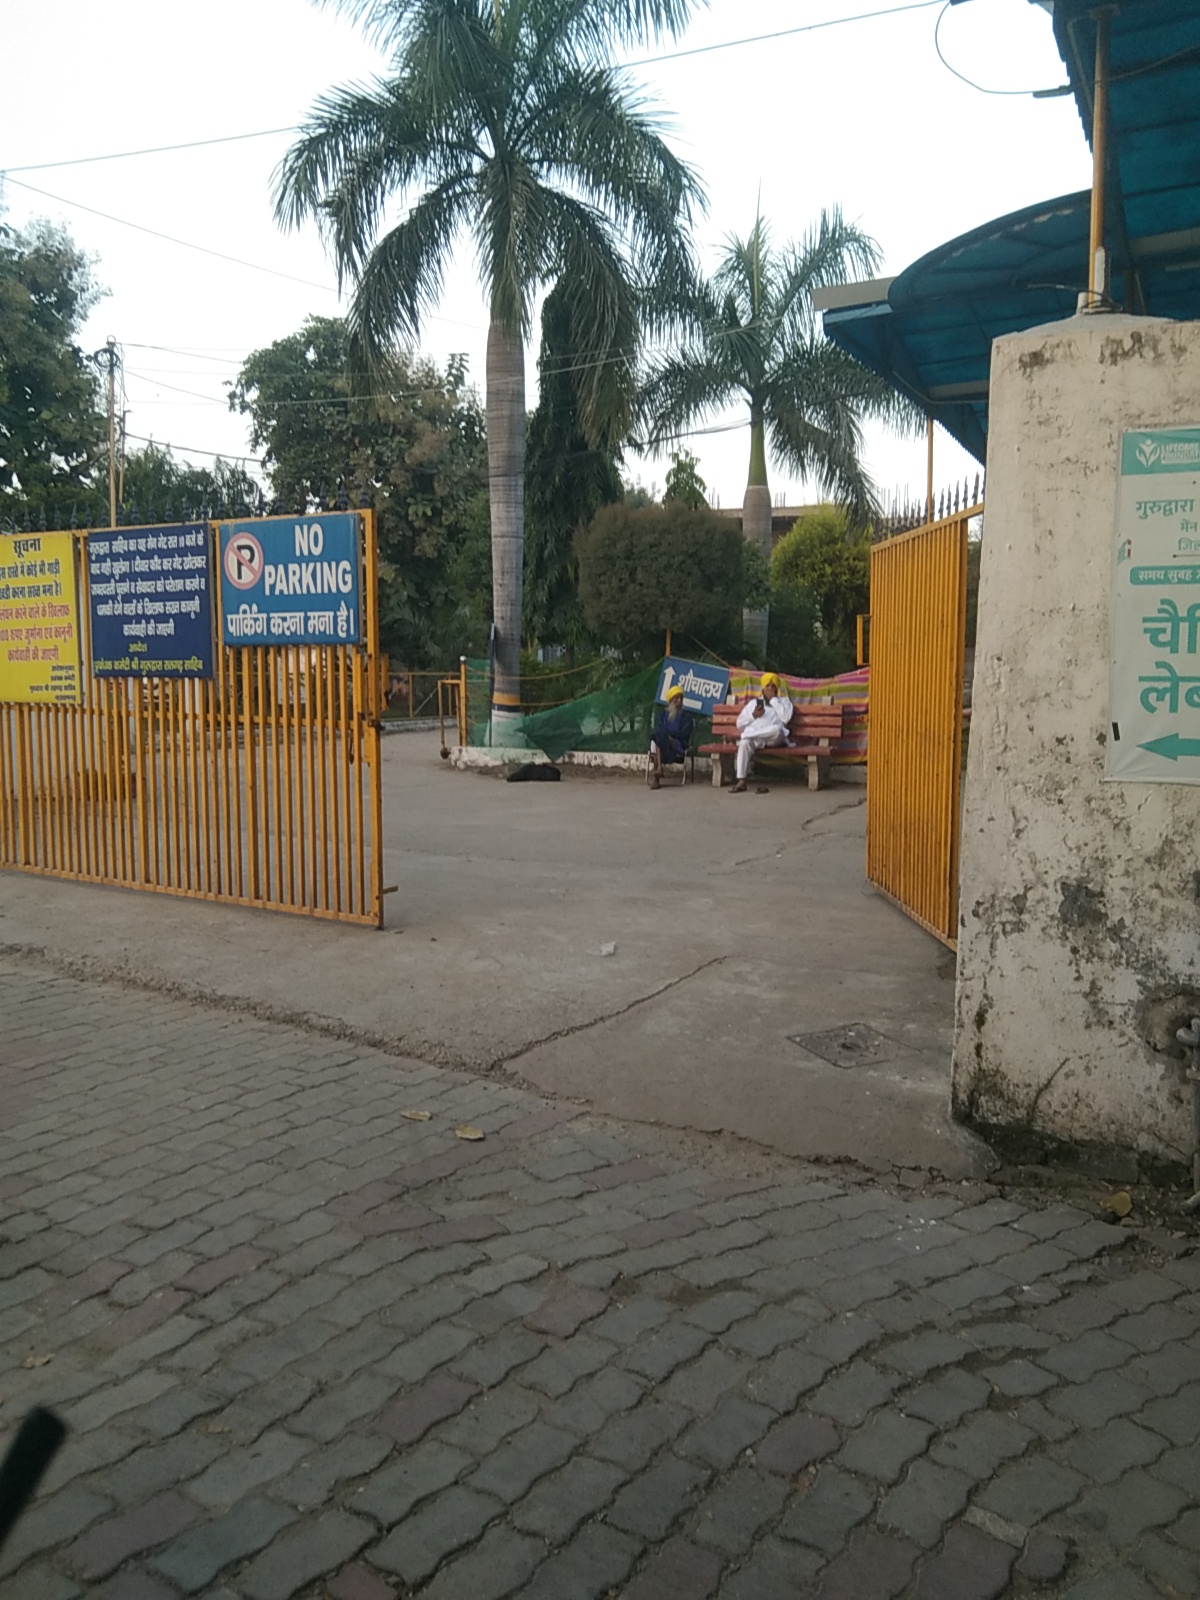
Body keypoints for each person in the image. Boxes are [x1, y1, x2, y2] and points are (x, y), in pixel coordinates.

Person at [731, 672, 793, 793]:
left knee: (777, 729)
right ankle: (741, 781)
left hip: (774, 738)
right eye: (767, 686)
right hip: (757, 739)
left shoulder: (784, 702)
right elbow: (739, 724)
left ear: (777, 689)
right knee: (744, 743)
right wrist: (753, 716)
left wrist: (773, 701)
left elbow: (786, 719)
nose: (770, 689)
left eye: (773, 686)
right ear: (763, 688)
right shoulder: (754, 703)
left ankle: (745, 735)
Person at [648, 684, 694, 790]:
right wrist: (665, 735)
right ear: (670, 700)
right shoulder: (661, 715)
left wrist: (668, 734)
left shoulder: (686, 718)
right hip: (662, 745)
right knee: (659, 738)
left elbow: (684, 734)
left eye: (681, 698)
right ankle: (659, 769)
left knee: (659, 736)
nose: (679, 700)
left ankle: (656, 777)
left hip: (676, 746)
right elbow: (659, 729)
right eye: (676, 698)